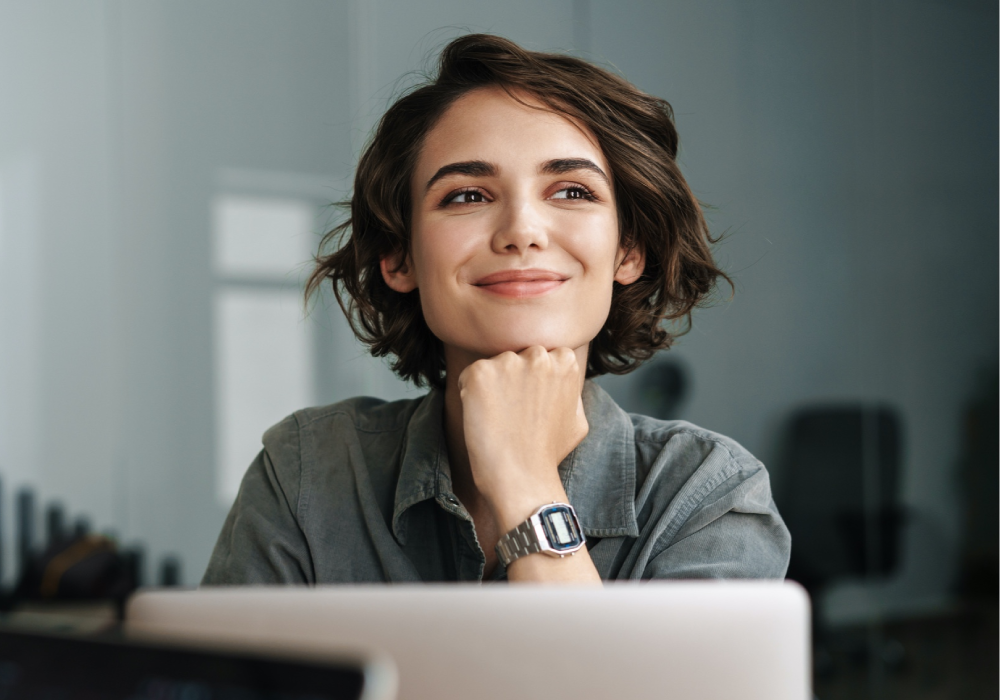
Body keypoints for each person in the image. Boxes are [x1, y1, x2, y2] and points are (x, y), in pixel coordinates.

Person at [202, 34, 790, 585]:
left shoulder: (708, 495)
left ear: (628, 250)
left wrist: (525, 481)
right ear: (398, 256)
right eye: (467, 195)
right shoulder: (305, 473)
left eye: (572, 192)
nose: (522, 231)